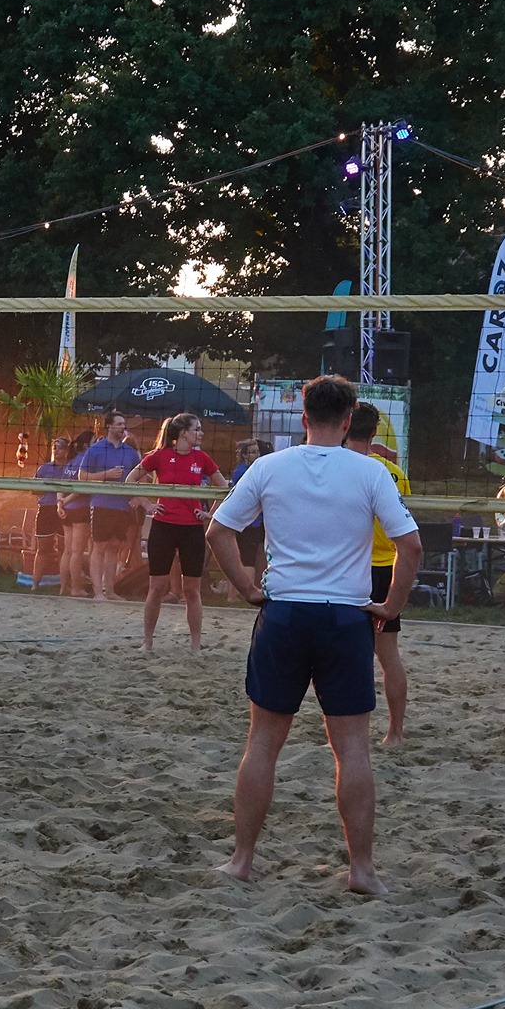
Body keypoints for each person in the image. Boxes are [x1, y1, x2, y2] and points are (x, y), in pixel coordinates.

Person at [204, 375, 420, 897]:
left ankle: (242, 860)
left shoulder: (269, 466)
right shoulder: (371, 472)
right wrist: (390, 607)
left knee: (262, 743)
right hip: (345, 618)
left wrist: (246, 587)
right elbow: (410, 547)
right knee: (353, 750)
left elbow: (217, 530)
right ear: (349, 422)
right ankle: (362, 871)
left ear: (304, 418)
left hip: (285, 614)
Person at [126, 413, 226, 651]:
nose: (201, 433)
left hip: (191, 529)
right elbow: (130, 479)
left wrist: (210, 513)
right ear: (183, 433)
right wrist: (148, 505)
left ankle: (195, 645)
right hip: (163, 526)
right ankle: (147, 642)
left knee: (191, 590)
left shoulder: (201, 458)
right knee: (157, 587)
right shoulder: (160, 456)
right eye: (197, 429)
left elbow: (224, 488)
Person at [345, 405, 412, 744]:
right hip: (386, 569)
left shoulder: (338, 467)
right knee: (388, 656)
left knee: (346, 657)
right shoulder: (392, 472)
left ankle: (346, 734)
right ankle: (395, 733)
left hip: (348, 570)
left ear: (344, 427)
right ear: (374, 434)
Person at [80, 411, 142, 600]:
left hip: (122, 505)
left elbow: (142, 476)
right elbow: (82, 476)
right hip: (102, 503)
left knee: (115, 546)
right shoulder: (96, 449)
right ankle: (98, 592)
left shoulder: (130, 452)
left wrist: (137, 497)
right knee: (99, 547)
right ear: (109, 426)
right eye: (119, 424)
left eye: (124, 424)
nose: (123, 427)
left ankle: (110, 590)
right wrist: (105, 475)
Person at [31, 436, 73, 587]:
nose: (56, 450)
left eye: (60, 447)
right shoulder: (45, 468)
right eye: (54, 447)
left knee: (64, 549)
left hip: (65, 509)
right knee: (42, 548)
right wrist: (47, 487)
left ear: (67, 450)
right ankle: (35, 585)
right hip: (47, 509)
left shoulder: (71, 468)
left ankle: (64, 586)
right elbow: (33, 489)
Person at [228, 439, 271, 580]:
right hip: (247, 522)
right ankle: (239, 595)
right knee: (246, 558)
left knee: (256, 556)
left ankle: (245, 592)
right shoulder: (243, 471)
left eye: (258, 452)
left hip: (258, 522)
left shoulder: (257, 469)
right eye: (253, 452)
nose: (257, 455)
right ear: (245, 455)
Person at [59, 431, 94, 597]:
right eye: (94, 442)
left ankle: (63, 587)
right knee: (76, 552)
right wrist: (64, 502)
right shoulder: (85, 461)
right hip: (80, 508)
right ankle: (75, 588)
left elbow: (61, 486)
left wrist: (61, 502)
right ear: (87, 445)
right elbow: (80, 489)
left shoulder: (70, 461)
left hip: (68, 510)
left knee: (68, 551)